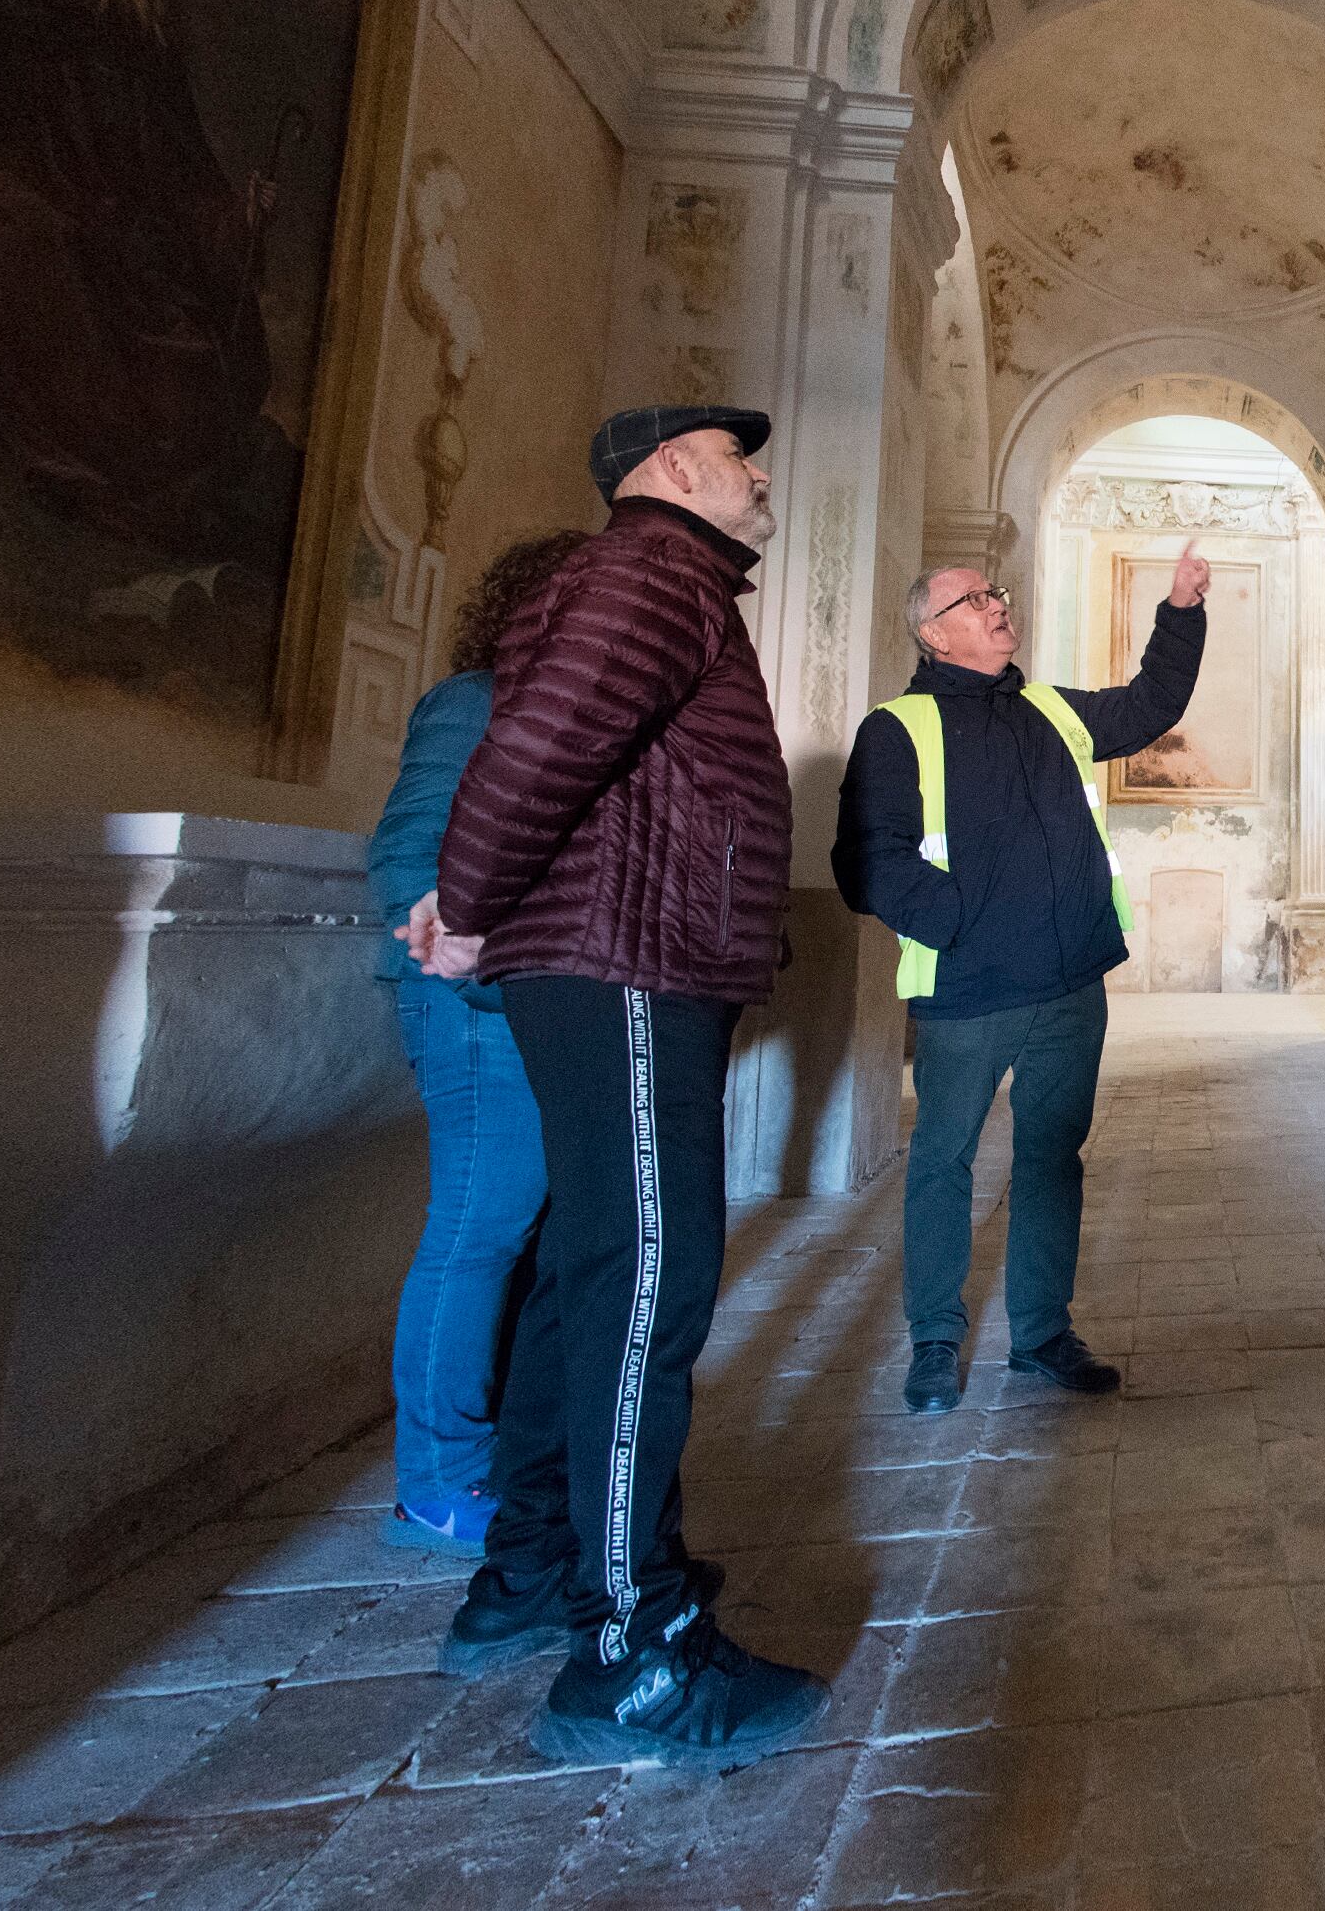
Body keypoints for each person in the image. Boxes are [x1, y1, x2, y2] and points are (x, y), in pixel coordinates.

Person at [396, 404, 817, 1770]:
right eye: (735, 455)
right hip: (624, 959)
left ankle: (524, 1570)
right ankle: (632, 1651)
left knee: (589, 1282)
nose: (758, 475)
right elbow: (546, 741)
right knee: (648, 1279)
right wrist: (465, 903)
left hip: (611, 956)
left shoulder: (656, 577)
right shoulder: (647, 568)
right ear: (670, 470)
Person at [834, 547, 1208, 1416]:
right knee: (943, 1163)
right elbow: (865, 860)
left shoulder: (1051, 708)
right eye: (974, 599)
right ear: (934, 634)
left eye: (996, 593)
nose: (998, 606)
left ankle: (1040, 1335)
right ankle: (933, 1341)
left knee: (1051, 1160)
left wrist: (1180, 610)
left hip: (1072, 983)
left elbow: (1150, 703)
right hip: (969, 991)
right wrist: (959, 922)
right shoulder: (896, 728)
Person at [364, 528, 585, 1557]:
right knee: (475, 1227)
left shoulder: (565, 713)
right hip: (469, 1009)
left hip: (537, 1003)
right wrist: (481, 967)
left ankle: (495, 1448)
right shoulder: (471, 702)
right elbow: (410, 855)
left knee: (522, 1232)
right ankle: (436, 1482)